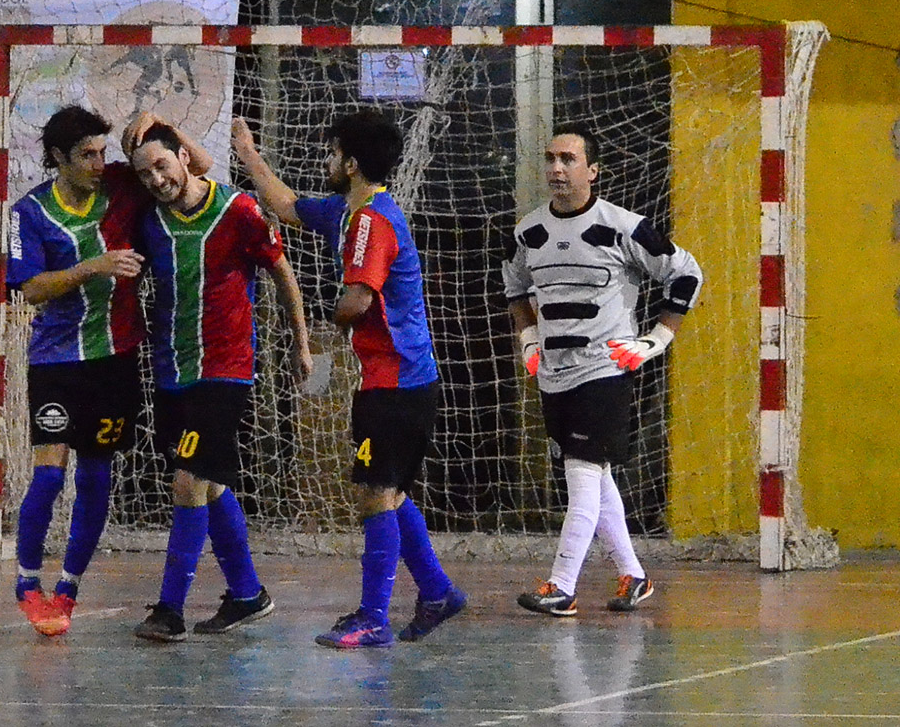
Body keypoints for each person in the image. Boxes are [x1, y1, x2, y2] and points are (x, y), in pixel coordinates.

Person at [232, 111, 466, 649]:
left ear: (352, 162)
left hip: (397, 382)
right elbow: (286, 205)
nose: (326, 161)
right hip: (392, 380)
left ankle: (372, 617)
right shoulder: (348, 209)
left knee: (374, 494)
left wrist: (315, 322)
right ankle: (437, 592)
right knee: (386, 492)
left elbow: (358, 302)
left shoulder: (370, 222)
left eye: (332, 152)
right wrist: (245, 149)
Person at [6, 106, 212, 637]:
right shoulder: (27, 213)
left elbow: (203, 168)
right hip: (56, 361)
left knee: (98, 477)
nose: (100, 163)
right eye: (87, 156)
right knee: (50, 475)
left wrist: (165, 122)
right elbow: (29, 289)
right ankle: (27, 581)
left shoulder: (121, 185)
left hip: (116, 359)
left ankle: (69, 588)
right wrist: (92, 267)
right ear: (57, 159)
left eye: (102, 152)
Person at [502, 124, 703, 616]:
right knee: (597, 476)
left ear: (592, 170)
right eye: (550, 158)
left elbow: (687, 273)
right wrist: (529, 340)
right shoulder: (528, 230)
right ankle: (633, 576)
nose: (556, 168)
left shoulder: (624, 226)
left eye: (568, 159)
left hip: (604, 371)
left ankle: (562, 586)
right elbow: (514, 292)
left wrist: (656, 340)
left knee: (582, 476)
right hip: (553, 373)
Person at [130, 123, 313, 642]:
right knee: (209, 483)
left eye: (163, 165)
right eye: (145, 173)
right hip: (171, 368)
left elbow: (281, 272)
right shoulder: (149, 222)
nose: (156, 179)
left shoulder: (238, 211)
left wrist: (301, 342)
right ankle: (247, 593)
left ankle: (169, 608)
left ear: (186, 157)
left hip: (225, 367)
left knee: (188, 482)